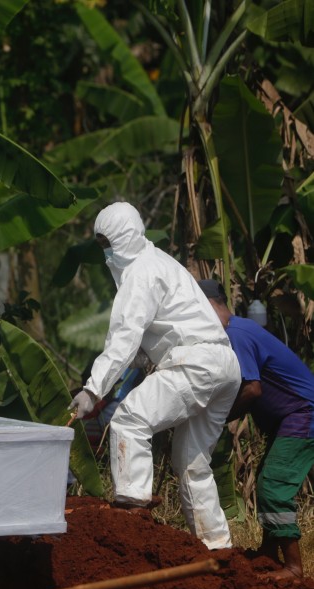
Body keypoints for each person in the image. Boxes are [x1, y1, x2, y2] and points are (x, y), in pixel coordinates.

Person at [69, 202, 241, 550]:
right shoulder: (162, 261)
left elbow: (123, 339)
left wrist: (92, 391)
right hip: (224, 365)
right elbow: (149, 340)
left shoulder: (140, 273)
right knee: (191, 460)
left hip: (194, 363)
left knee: (129, 420)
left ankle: (132, 514)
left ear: (125, 238)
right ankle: (217, 547)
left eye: (108, 244)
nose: (106, 254)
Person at [200, 279, 314, 578]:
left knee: (273, 486)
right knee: (267, 481)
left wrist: (215, 419)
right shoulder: (234, 331)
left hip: (303, 414)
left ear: (210, 304)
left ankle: (293, 567)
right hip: (289, 417)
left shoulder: (235, 334)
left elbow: (252, 390)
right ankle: (268, 551)